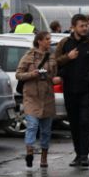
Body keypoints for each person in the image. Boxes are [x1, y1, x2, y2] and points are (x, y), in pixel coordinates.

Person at [55, 14, 89, 168]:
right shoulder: (64, 43)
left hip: (86, 90)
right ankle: (78, 154)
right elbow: (54, 62)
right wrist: (68, 57)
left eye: (86, 26)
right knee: (74, 123)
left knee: (85, 121)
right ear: (73, 27)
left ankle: (84, 155)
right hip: (69, 90)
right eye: (82, 26)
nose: (85, 28)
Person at [15, 31, 60, 169]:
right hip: (31, 96)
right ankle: (29, 151)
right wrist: (31, 74)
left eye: (49, 39)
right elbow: (18, 75)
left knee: (46, 130)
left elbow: (54, 75)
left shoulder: (51, 57)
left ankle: (44, 157)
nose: (49, 41)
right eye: (47, 39)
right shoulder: (29, 56)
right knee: (32, 125)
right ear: (39, 41)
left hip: (47, 97)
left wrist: (54, 79)